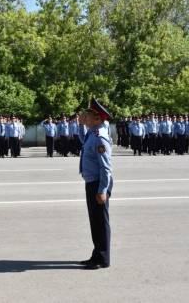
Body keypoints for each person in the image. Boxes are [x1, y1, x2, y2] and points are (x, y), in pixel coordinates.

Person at [78, 98, 113, 270]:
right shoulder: (92, 132)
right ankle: (97, 254)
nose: (85, 118)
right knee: (95, 220)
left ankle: (103, 258)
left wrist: (102, 190)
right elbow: (82, 142)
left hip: (99, 183)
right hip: (92, 182)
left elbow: (106, 168)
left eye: (88, 116)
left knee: (100, 221)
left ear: (98, 119)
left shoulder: (100, 137)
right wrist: (79, 124)